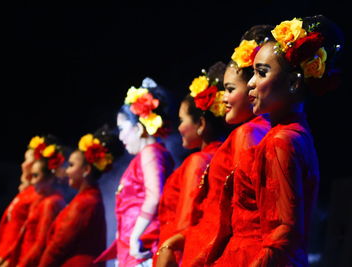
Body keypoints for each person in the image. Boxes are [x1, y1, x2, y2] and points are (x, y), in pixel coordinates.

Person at [155, 25, 273, 267]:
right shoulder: (248, 133)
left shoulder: (249, 133)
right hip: (208, 247)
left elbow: (236, 217)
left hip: (224, 253)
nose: (224, 98)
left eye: (230, 90)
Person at [233, 15, 343, 266]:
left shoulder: (282, 141)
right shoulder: (293, 135)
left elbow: (284, 233)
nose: (250, 83)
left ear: (293, 82)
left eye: (261, 73)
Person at [154, 61, 228, 265]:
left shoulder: (198, 161)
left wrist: (173, 253)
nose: (179, 128)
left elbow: (187, 217)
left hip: (180, 252)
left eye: (182, 120)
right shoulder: (221, 155)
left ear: (201, 124)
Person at [95, 77, 175, 267]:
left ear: (139, 128)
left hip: (143, 245)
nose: (120, 136)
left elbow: (155, 196)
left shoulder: (151, 153)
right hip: (135, 246)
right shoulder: (146, 156)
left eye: (123, 129)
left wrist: (135, 237)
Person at [39, 126, 118, 267]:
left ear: (86, 170)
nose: (67, 171)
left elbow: (59, 246)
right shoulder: (89, 198)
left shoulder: (85, 202)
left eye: (71, 165)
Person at [1, 138, 67, 267]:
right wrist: (5, 256)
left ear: (50, 178)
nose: (32, 181)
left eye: (36, 176)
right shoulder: (42, 200)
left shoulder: (50, 202)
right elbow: (22, 235)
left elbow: (41, 242)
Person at [0, 136, 45, 267]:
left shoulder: (36, 196)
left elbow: (25, 232)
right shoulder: (26, 193)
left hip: (11, 259)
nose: (23, 164)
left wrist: (8, 256)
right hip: (2, 254)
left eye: (28, 161)